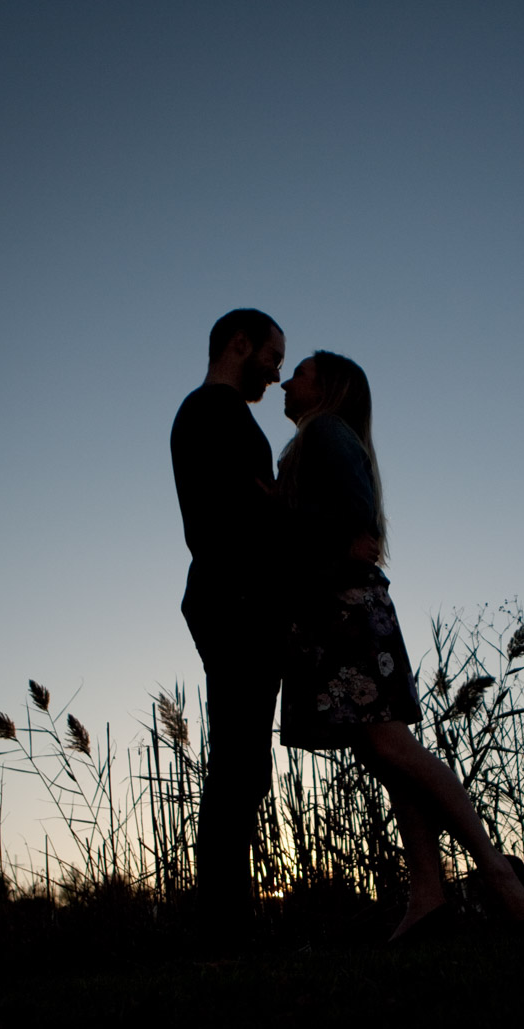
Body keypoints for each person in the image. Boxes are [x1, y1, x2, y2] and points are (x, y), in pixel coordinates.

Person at [276, 351, 524, 941]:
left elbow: (356, 517)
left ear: (330, 388)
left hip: (347, 611)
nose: (289, 381)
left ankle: (495, 871)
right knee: (382, 754)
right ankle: (427, 898)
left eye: (302, 373)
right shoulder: (312, 442)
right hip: (336, 610)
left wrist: (330, 554)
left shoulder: (327, 432)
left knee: (390, 745)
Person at [170, 308, 287, 938]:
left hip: (236, 597)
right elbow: (237, 510)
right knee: (238, 762)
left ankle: (228, 921)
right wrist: (279, 503)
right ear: (238, 344)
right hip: (235, 597)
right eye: (272, 355)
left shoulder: (217, 415)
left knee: (244, 761)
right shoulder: (212, 412)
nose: (278, 371)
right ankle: (223, 927)